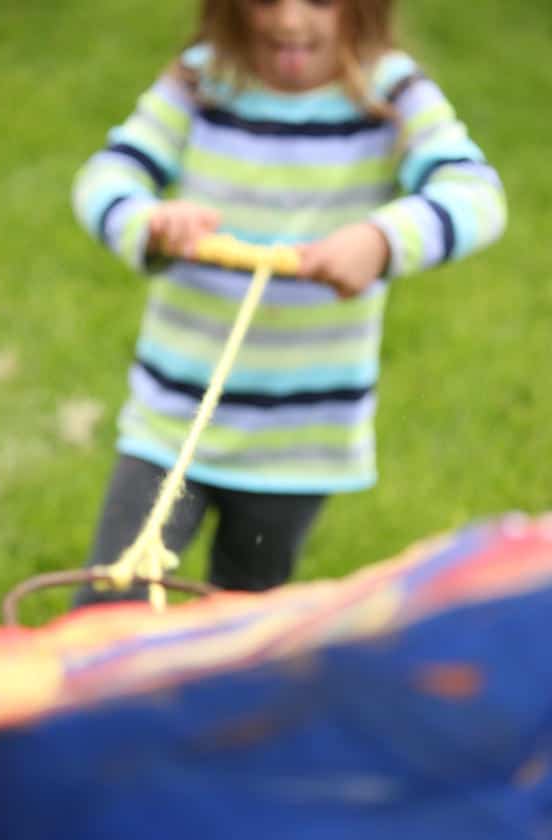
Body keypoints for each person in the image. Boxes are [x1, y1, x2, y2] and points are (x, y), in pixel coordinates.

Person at [72, 0, 507, 605]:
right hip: (172, 417)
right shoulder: (201, 79)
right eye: (265, 0)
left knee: (245, 617)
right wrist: (150, 223)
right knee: (109, 601)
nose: (291, 21)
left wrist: (382, 240)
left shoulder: (392, 91)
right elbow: (105, 178)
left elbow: (477, 194)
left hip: (300, 438)